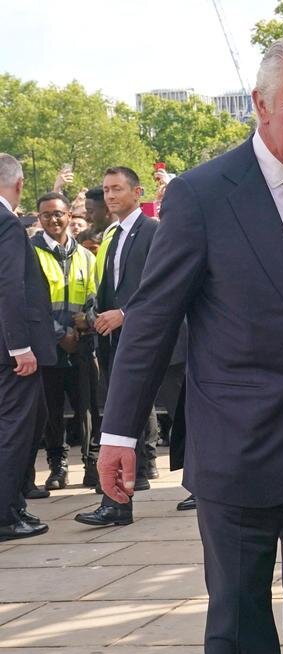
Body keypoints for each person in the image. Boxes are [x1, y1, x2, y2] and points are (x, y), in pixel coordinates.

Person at [93, 36, 283, 654]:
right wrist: (118, 434)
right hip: (238, 441)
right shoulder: (203, 193)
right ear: (260, 104)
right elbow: (152, 320)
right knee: (240, 615)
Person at [74, 166, 163, 523]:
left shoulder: (154, 232)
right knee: (118, 420)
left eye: (117, 189)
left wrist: (125, 313)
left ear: (137, 192)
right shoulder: (113, 234)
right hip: (115, 341)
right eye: (107, 190)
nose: (110, 196)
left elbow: (160, 284)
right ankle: (118, 500)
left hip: (150, 339)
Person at [0, 153, 56, 541]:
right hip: (10, 351)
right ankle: (5, 514)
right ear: (19, 185)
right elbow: (10, 286)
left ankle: (12, 505)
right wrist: (20, 347)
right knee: (16, 431)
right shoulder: (6, 223)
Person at [30, 192, 97, 491]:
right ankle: (58, 466)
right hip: (48, 347)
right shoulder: (30, 253)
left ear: (69, 215)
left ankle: (92, 464)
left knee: (87, 409)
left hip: (82, 346)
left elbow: (96, 297)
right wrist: (60, 334)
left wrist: (86, 325)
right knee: (52, 411)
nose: (53, 219)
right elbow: (32, 305)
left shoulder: (86, 255)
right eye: (46, 215)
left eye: (58, 213)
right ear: (38, 218)